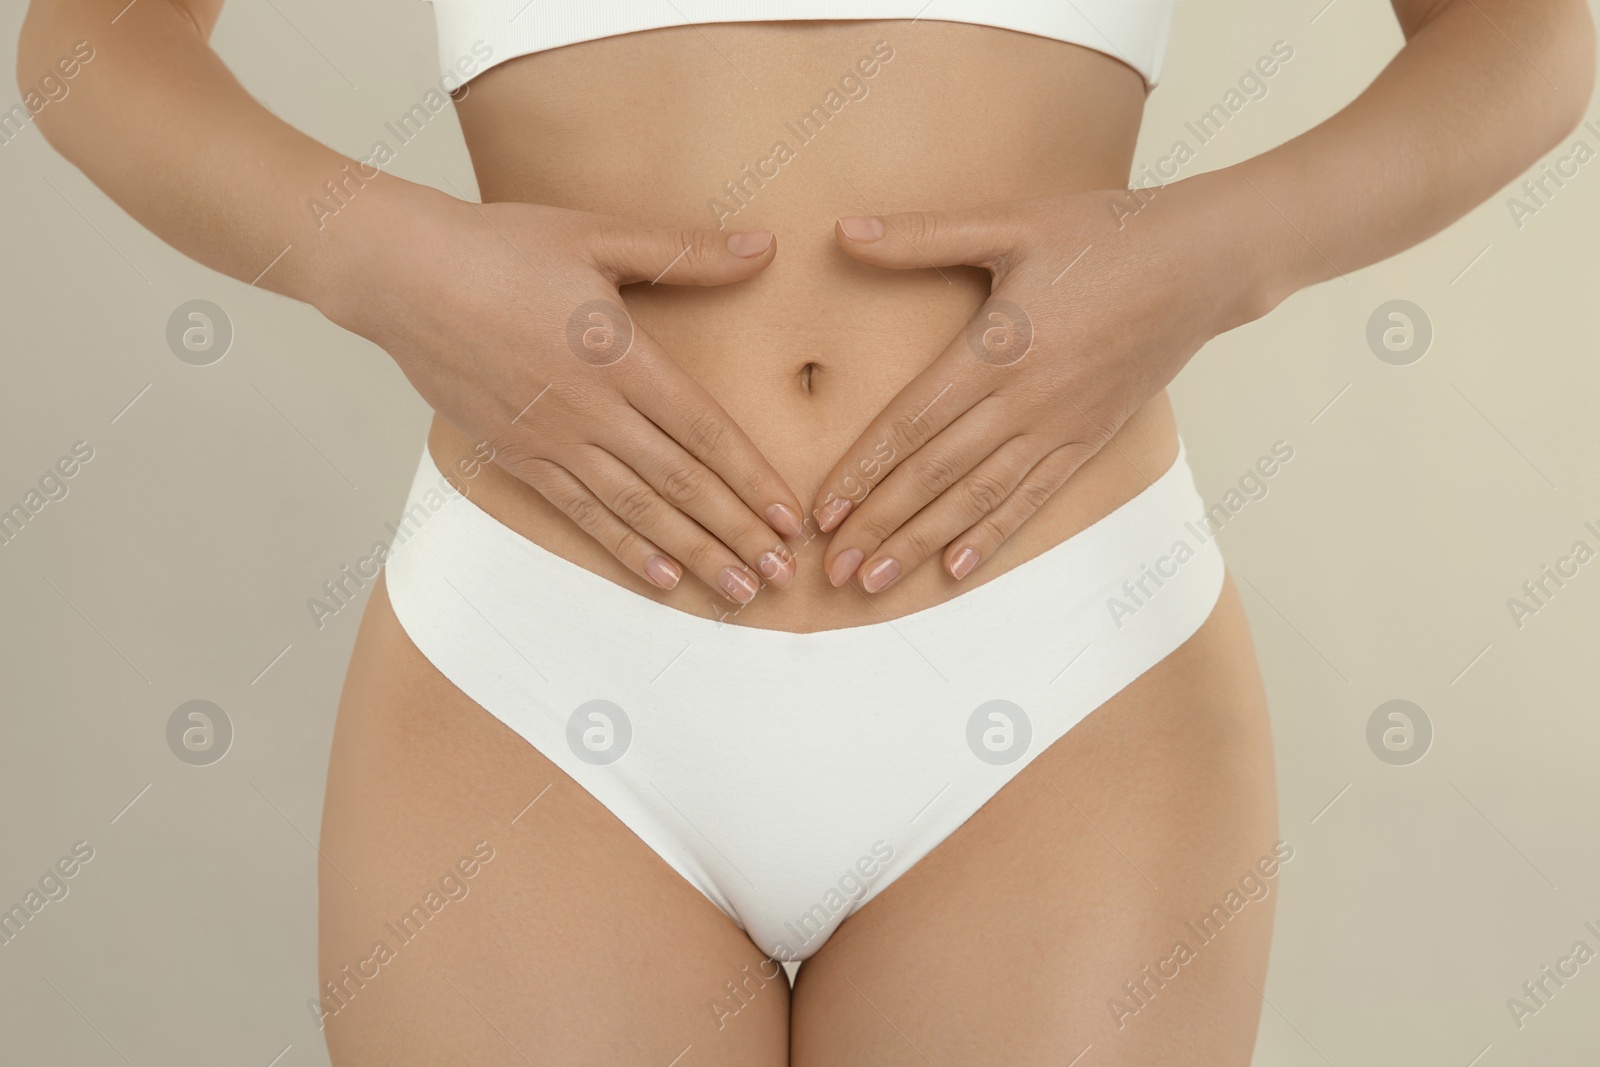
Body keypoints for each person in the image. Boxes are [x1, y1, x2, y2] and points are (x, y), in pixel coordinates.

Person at [19, 0, 1594, 1062]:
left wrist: (1210, 258)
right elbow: (92, 41)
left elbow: (1526, 33)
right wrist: (384, 267)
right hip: (536, 674)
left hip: (1064, 666)